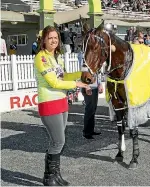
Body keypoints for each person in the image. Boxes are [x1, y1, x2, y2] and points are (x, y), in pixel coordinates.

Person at [34, 25, 90, 186]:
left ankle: (53, 175)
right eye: (50, 37)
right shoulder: (41, 58)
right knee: (58, 141)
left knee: (58, 142)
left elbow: (64, 76)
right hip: (49, 103)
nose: (53, 40)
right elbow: (53, 82)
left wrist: (82, 75)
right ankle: (48, 177)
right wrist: (77, 83)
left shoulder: (56, 57)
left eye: (56, 38)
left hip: (61, 102)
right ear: (44, 40)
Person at [82, 72, 103, 139]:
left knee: (93, 110)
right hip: (89, 88)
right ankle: (86, 132)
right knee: (89, 110)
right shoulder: (85, 64)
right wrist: (86, 86)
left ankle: (91, 130)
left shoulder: (96, 64)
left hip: (95, 87)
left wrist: (100, 84)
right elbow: (82, 75)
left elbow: (97, 74)